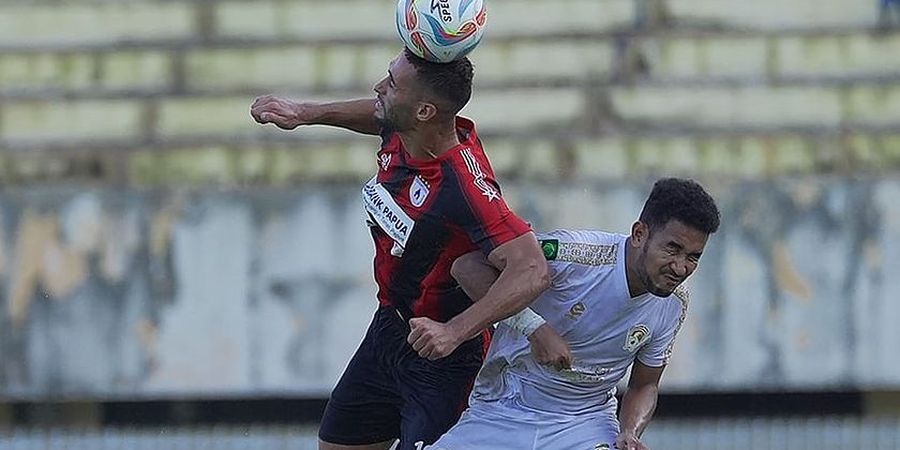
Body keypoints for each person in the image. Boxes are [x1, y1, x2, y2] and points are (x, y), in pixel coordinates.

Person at [250, 49, 559, 450]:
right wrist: (306, 113)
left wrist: (454, 331)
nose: (379, 87)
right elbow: (378, 113)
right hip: (389, 331)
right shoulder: (404, 130)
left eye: (391, 83)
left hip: (445, 362)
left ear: (425, 111)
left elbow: (531, 269)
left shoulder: (464, 186)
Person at [429, 178, 721, 450]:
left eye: (693, 257)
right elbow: (468, 267)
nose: (681, 268)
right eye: (673, 249)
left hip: (584, 425)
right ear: (639, 234)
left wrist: (630, 431)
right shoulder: (572, 254)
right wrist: (534, 328)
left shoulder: (674, 304)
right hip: (503, 409)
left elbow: (644, 384)